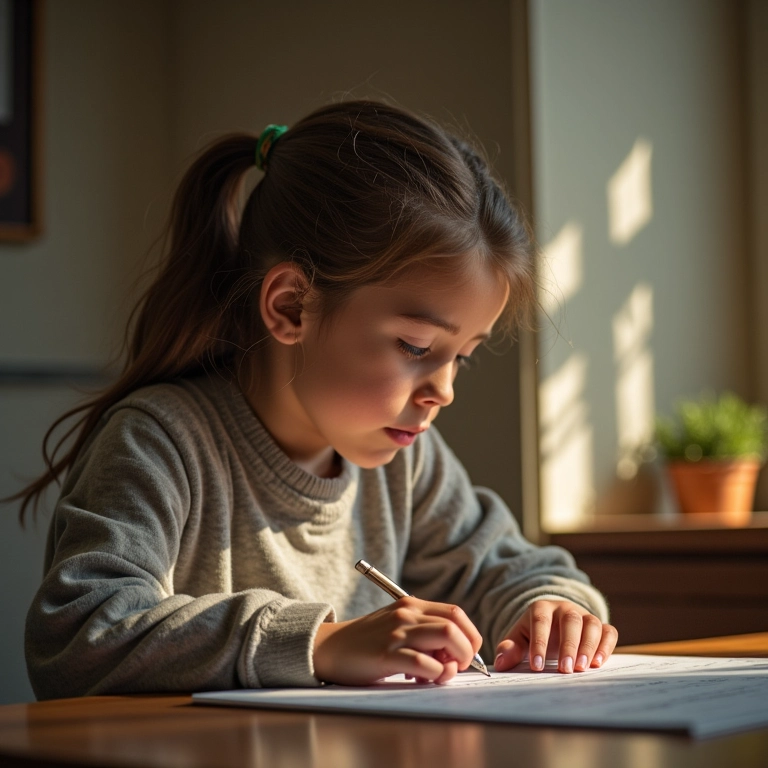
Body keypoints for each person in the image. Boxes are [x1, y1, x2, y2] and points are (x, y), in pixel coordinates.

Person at [12, 100, 617, 699]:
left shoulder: (406, 461)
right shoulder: (158, 441)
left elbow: (509, 569)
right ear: (291, 307)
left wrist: (555, 610)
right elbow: (78, 637)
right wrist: (320, 643)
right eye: (414, 346)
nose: (444, 391)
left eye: (463, 355)